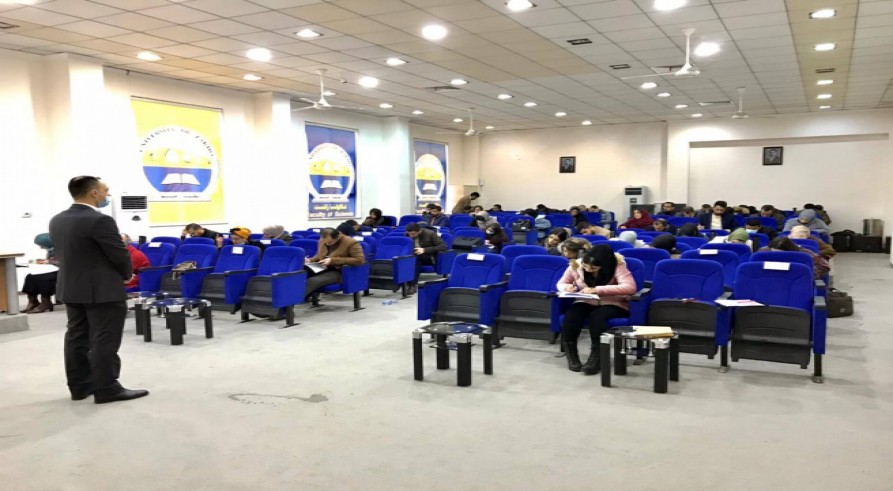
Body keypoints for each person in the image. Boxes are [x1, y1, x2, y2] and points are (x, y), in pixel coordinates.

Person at [48, 176, 148, 404]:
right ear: (94, 192)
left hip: (71, 287)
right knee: (105, 339)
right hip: (102, 290)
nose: (107, 194)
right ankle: (107, 388)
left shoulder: (57, 219)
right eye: (106, 190)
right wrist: (127, 274)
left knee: (77, 338)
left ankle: (79, 386)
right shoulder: (99, 220)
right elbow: (118, 253)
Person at [557, 245, 637, 374]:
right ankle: (571, 355)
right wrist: (567, 287)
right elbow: (561, 283)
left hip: (613, 302)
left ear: (604, 264)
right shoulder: (576, 265)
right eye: (585, 266)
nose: (588, 270)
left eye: (594, 268)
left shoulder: (618, 266)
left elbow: (630, 287)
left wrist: (597, 289)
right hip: (586, 300)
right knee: (572, 315)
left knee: (597, 317)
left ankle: (597, 357)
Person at [304, 227, 365, 302]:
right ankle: (299, 297)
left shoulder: (351, 242)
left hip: (338, 270)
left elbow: (359, 260)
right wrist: (310, 260)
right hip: (321, 267)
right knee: (301, 273)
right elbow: (319, 257)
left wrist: (332, 260)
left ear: (337, 237)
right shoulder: (323, 240)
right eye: (325, 242)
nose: (327, 244)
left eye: (330, 243)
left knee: (312, 281)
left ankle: (292, 302)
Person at [405, 223, 447, 295]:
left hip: (429, 256)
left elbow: (443, 246)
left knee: (416, 259)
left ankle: (412, 285)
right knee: (406, 259)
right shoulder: (407, 234)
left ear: (419, 231)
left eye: (413, 234)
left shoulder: (430, 234)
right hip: (414, 255)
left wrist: (424, 250)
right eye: (409, 234)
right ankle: (402, 283)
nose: (411, 236)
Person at [21, 233, 59, 314]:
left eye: (41, 245)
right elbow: (50, 261)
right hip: (52, 270)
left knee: (44, 278)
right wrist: (39, 261)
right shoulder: (50, 251)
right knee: (30, 277)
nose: (40, 247)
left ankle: (46, 302)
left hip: (62, 272)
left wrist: (48, 261)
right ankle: (33, 301)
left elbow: (65, 262)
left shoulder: (62, 249)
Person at [760, 237, 830, 280]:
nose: (778, 256)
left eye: (782, 253)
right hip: (769, 278)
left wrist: (806, 273)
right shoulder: (763, 251)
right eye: (774, 253)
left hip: (797, 279)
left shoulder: (804, 253)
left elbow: (824, 266)